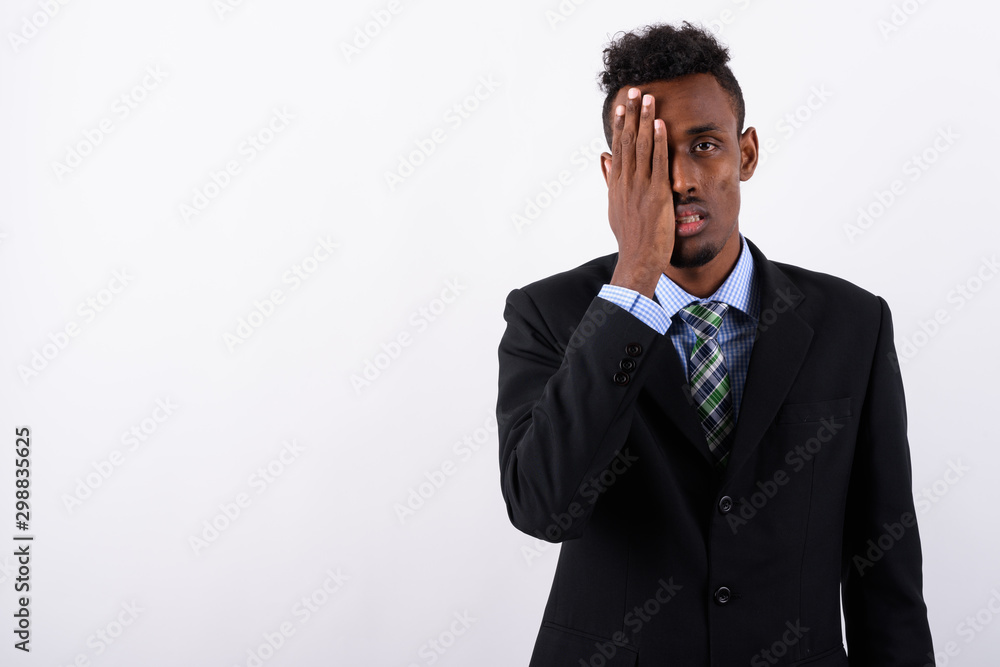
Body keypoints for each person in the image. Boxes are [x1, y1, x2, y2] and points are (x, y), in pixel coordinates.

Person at [495, 21, 933, 666]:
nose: (680, 180)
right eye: (649, 158)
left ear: (746, 154)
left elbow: (884, 566)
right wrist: (634, 281)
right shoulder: (548, 315)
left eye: (704, 145)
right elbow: (544, 509)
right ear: (614, 176)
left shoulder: (853, 323)